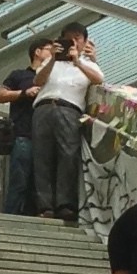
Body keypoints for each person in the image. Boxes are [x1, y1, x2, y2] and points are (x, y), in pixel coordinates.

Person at [30, 19, 101, 224]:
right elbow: (37, 80)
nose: (73, 42)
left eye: (77, 38)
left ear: (85, 42)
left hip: (70, 110)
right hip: (44, 107)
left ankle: (65, 205)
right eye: (68, 39)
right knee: (42, 156)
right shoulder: (50, 61)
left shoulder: (88, 64)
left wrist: (78, 61)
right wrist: (53, 58)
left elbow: (99, 80)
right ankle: (44, 206)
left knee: (68, 155)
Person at [0, 53, 43, 212]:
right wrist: (24, 93)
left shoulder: (56, 77)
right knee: (19, 181)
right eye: (49, 49)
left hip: (46, 139)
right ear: (38, 51)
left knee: (39, 186)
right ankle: (10, 216)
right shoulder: (20, 75)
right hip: (24, 134)